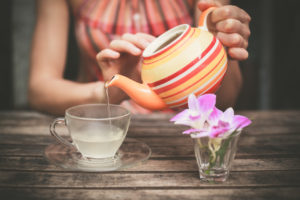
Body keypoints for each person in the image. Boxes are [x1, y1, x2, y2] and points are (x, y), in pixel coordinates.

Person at [29, 0, 251, 115]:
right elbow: (39, 89)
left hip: (182, 135)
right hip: (104, 126)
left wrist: (220, 50)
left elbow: (225, 101)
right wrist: (110, 92)